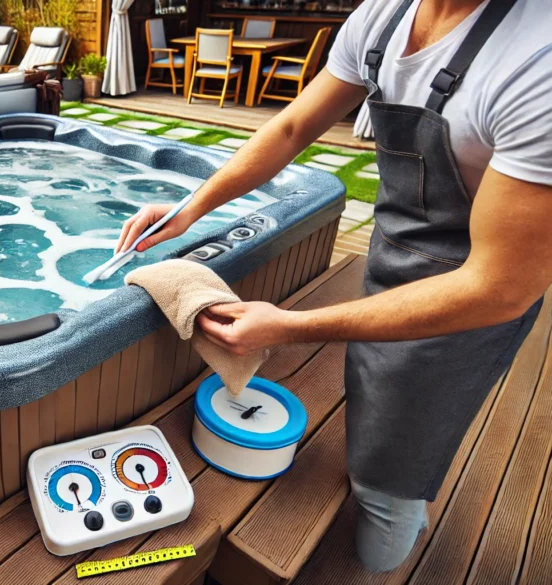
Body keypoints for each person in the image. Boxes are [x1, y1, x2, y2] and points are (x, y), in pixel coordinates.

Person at [115, 0, 552, 572]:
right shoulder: (383, 16)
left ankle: (389, 532)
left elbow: (499, 288)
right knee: (375, 401)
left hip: (467, 301)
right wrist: (190, 209)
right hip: (393, 253)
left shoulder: (535, 62)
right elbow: (294, 125)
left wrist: (293, 327)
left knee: (399, 457)